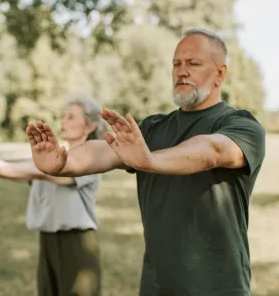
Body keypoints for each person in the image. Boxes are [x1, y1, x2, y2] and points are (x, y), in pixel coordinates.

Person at [25, 28, 266, 296]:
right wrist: (62, 163)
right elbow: (103, 151)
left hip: (219, 288)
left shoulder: (241, 125)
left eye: (193, 63)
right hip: (156, 287)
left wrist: (150, 160)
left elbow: (211, 151)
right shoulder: (153, 129)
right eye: (176, 64)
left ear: (220, 74)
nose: (181, 71)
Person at [0, 95, 106, 296]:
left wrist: (1, 166)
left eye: (71, 117)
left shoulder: (93, 158)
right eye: (63, 116)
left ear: (90, 126)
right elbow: (15, 171)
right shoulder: (48, 159)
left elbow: (51, 174)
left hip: (77, 243)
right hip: (47, 241)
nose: (63, 121)